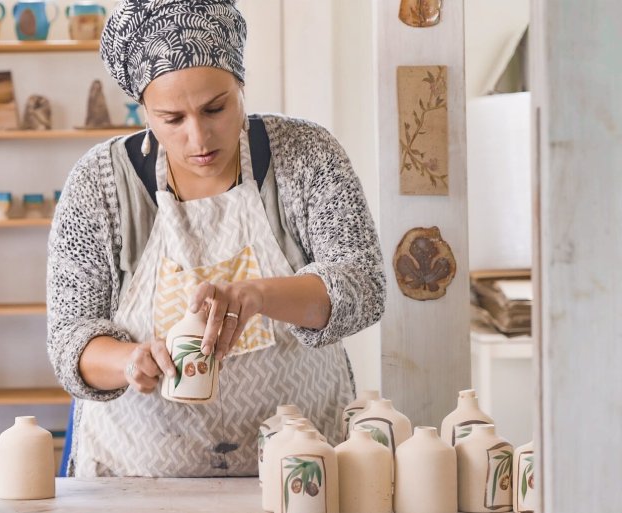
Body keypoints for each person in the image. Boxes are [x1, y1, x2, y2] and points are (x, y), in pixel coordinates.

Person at [47, 0, 386, 478]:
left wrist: (259, 295)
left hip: (298, 475)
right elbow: (69, 341)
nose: (200, 137)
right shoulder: (99, 184)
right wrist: (130, 361)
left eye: (215, 108)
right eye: (172, 118)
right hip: (140, 478)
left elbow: (364, 287)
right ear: (143, 111)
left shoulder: (306, 155)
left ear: (240, 85)